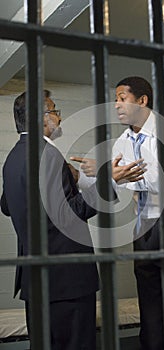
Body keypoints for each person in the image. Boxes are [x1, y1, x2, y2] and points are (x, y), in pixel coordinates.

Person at [72, 76, 164, 350]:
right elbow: (111, 177)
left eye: (122, 98)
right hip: (143, 228)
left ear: (142, 101)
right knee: (150, 304)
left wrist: (112, 172)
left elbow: (161, 180)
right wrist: (75, 176)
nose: (116, 104)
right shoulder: (123, 140)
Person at [0, 90, 99, 350]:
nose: (59, 118)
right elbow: (68, 215)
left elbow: (7, 206)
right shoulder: (50, 156)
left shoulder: (12, 158)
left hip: (36, 280)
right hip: (68, 280)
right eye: (54, 111)